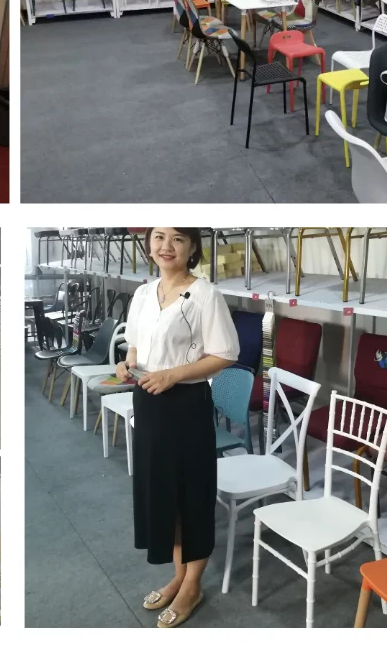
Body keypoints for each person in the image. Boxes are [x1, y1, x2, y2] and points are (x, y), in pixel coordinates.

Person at [121, 227, 239, 629]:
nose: (165, 246)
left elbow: (225, 353)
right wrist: (127, 364)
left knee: (191, 496)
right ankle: (178, 575)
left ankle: (193, 584)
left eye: (177, 238)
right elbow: (135, 346)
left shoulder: (206, 295)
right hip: (149, 402)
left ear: (192, 248)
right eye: (158, 237)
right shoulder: (142, 294)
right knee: (163, 494)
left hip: (185, 405)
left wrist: (174, 375)